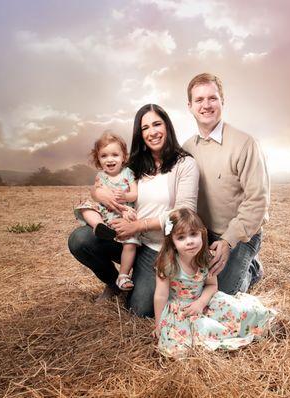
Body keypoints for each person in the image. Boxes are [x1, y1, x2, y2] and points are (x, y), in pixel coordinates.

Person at [68, 104, 199, 317]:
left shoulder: (184, 164)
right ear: (140, 133)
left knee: (139, 309)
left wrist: (137, 225)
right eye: (145, 127)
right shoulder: (136, 164)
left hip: (158, 247)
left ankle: (137, 277)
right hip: (130, 239)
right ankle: (114, 282)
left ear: (167, 126)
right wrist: (98, 193)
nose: (152, 132)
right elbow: (107, 179)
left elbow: (185, 213)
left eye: (157, 124)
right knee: (80, 240)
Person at [182, 73, 270, 295]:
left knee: (222, 294)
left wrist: (228, 242)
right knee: (191, 287)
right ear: (190, 106)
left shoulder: (245, 144)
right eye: (199, 100)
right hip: (204, 234)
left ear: (222, 101)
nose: (206, 105)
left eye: (212, 98)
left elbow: (258, 202)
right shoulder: (186, 149)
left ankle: (252, 268)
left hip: (240, 235)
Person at [153, 208, 277, 358]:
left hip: (205, 301)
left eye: (193, 234)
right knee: (200, 332)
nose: (190, 241)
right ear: (172, 242)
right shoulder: (168, 264)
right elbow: (160, 296)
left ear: (202, 234)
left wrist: (201, 303)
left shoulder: (206, 259)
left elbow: (212, 285)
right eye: (181, 237)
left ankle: (267, 323)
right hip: (181, 309)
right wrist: (158, 324)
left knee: (238, 311)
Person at [73, 132, 139, 291]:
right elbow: (96, 195)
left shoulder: (128, 173)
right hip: (105, 214)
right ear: (98, 159)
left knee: (131, 243)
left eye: (115, 155)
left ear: (123, 157)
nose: (110, 159)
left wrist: (125, 196)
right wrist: (97, 193)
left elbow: (135, 193)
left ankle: (123, 275)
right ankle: (99, 226)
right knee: (86, 208)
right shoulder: (100, 176)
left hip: (123, 213)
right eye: (104, 156)